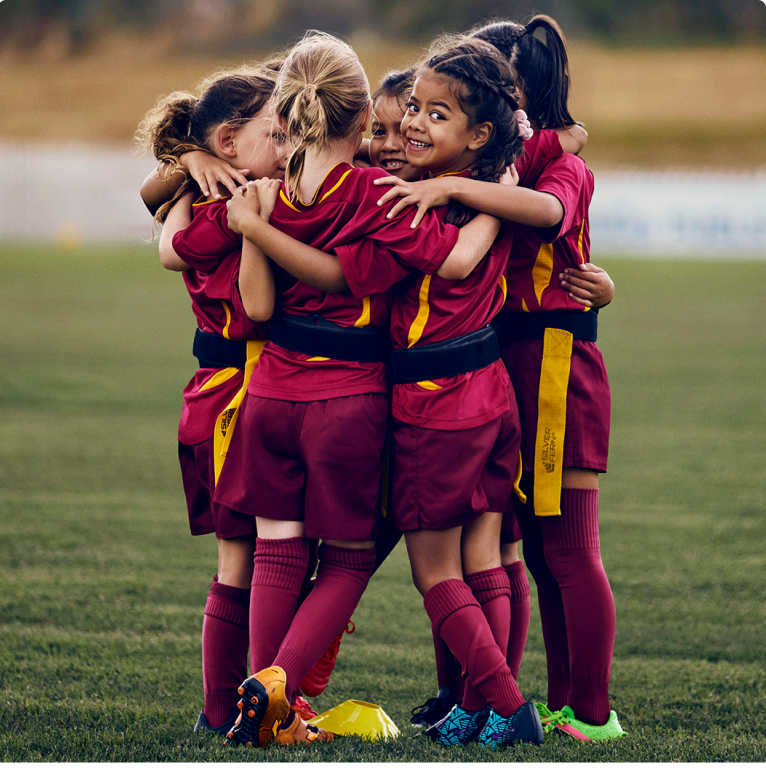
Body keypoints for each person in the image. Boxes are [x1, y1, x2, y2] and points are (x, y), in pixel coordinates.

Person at [231, 36, 584, 749]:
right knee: (482, 556)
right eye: (396, 120)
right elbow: (522, 214)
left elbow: (437, 261)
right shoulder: (434, 190)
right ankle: (475, 704)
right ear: (360, 119)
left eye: (423, 116)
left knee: (428, 570)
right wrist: (499, 190)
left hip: (429, 400)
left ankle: (499, 704)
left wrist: (247, 221)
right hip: (480, 390)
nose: (403, 137)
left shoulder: (373, 193)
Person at [377, 15, 624, 742]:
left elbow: (550, 211)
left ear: (512, 99)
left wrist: (461, 179)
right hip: (491, 363)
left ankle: (589, 712)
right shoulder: (495, 161)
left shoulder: (551, 164)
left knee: (566, 546)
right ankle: (495, 696)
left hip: (550, 364)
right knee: (505, 545)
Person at [134, 66, 291, 737]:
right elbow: (175, 248)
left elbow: (163, 227)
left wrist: (185, 160)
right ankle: (232, 706)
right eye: (277, 133)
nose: (291, 146)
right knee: (249, 561)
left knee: (258, 560)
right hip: (238, 397)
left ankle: (234, 706)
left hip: (229, 395)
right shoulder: (237, 206)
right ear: (229, 141)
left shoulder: (208, 193)